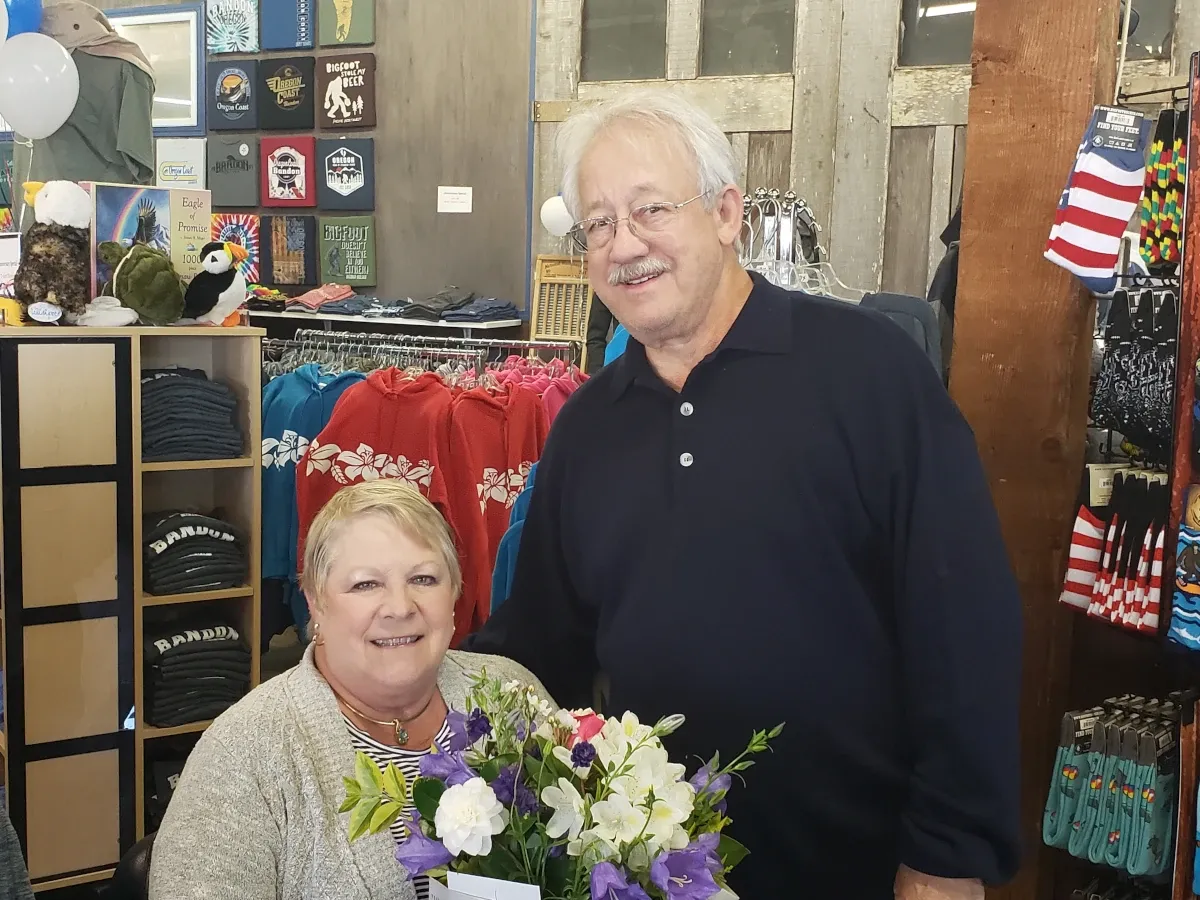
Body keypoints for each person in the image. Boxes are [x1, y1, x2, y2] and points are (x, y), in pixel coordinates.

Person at [463, 90, 1022, 900]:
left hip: (863, 870)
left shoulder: (868, 374)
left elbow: (966, 623)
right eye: (599, 224)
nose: (626, 245)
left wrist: (948, 852)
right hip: (648, 875)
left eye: (650, 208)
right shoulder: (587, 427)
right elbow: (541, 644)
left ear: (727, 213)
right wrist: (396, 673)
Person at [150, 480, 550, 900]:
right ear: (314, 601)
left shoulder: (514, 695)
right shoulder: (244, 754)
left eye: (424, 578)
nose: (400, 606)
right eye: (365, 584)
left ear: (455, 593)